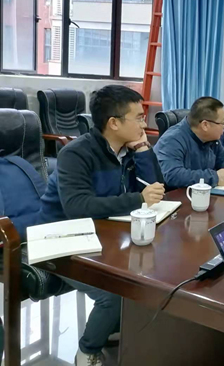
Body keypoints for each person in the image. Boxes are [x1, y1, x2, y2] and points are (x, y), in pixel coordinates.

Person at [38, 85, 165, 365]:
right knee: (115, 293)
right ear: (114, 123)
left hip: (104, 234)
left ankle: (115, 330)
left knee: (153, 274)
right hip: (60, 238)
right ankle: (87, 351)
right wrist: (137, 199)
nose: (144, 124)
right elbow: (77, 206)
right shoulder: (76, 153)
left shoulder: (127, 150)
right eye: (139, 118)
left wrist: (143, 150)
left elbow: (156, 188)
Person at [155, 96, 224, 189]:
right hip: (176, 195)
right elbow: (173, 176)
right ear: (205, 125)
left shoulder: (212, 138)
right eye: (223, 123)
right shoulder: (172, 139)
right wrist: (215, 177)